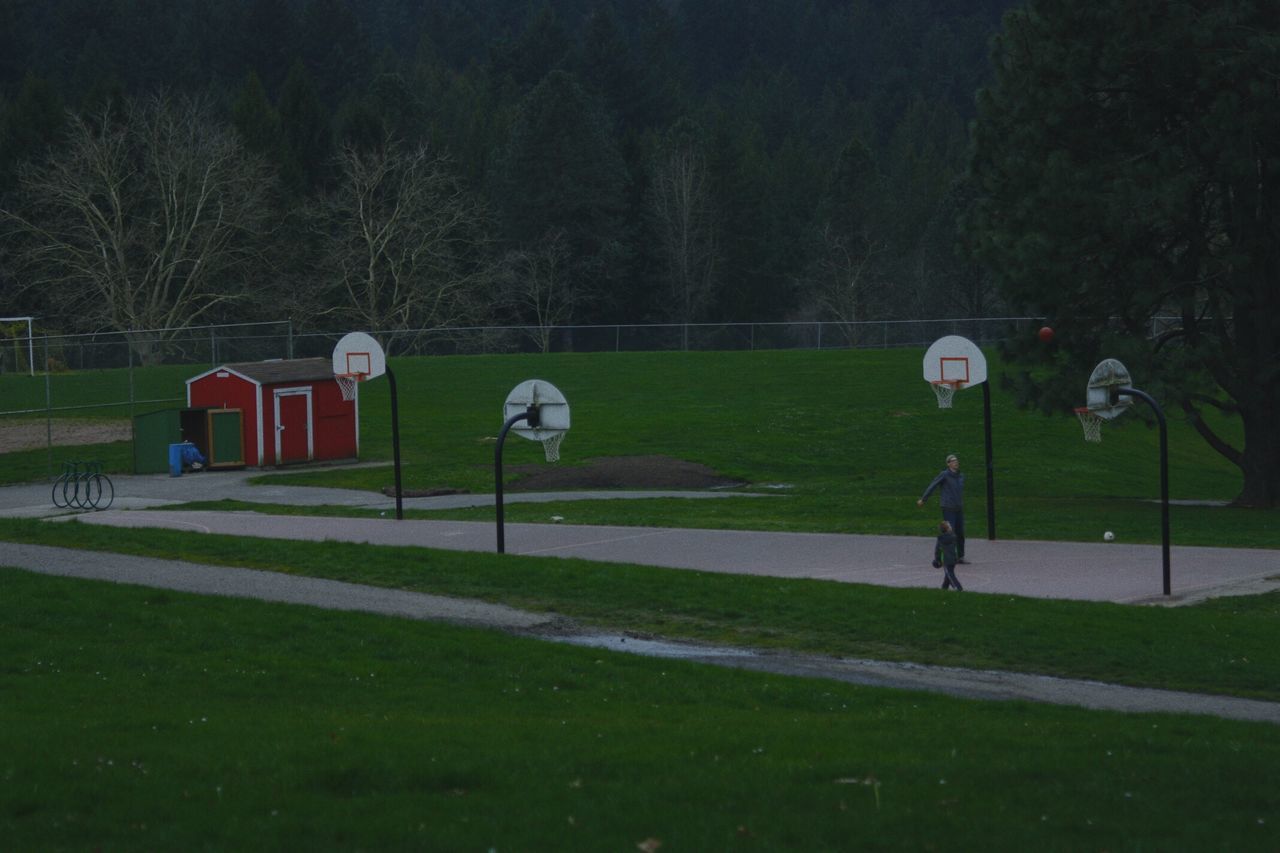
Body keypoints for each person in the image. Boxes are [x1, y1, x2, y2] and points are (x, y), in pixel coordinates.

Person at [917, 453, 966, 563]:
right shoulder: (944, 475)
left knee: (960, 533)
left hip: (958, 508)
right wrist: (923, 499)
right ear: (948, 464)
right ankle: (939, 557)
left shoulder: (961, 476)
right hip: (948, 508)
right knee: (949, 533)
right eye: (953, 461)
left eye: (956, 460)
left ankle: (960, 557)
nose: (956, 462)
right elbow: (933, 485)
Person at [931, 520, 963, 591]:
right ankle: (944, 588)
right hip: (953, 559)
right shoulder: (954, 537)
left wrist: (937, 559)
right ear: (948, 529)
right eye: (950, 526)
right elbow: (956, 549)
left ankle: (958, 588)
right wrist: (957, 557)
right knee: (948, 574)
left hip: (945, 560)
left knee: (950, 574)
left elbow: (938, 551)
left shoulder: (941, 539)